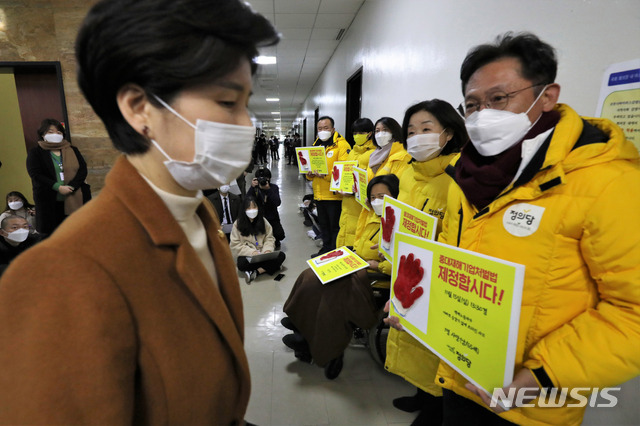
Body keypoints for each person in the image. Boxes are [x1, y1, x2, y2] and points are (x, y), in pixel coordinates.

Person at [0, 0, 278, 423]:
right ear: (139, 107)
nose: (245, 126)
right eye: (226, 103)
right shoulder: (63, 272)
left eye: (246, 105)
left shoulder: (198, 219)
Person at [433, 32, 640, 425]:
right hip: (461, 375)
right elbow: (452, 260)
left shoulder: (609, 183)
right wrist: (418, 305)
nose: (482, 116)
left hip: (531, 405)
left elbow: (633, 313)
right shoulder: (465, 175)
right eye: (472, 105)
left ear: (547, 95)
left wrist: (543, 374)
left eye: (499, 98)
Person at [384, 99, 468, 426]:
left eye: (426, 129)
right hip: (408, 268)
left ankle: (434, 405)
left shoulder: (458, 176)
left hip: (439, 274)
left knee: (433, 347)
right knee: (412, 339)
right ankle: (421, 393)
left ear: (447, 134)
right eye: (411, 131)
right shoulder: (407, 172)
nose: (417, 136)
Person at [282, 174, 400, 379]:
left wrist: (379, 263)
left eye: (382, 196)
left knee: (330, 292)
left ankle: (323, 348)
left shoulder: (403, 225)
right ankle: (300, 320)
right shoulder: (371, 216)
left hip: (375, 277)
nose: (377, 201)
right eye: (373, 197)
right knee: (311, 275)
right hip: (357, 264)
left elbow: (405, 264)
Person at [26, 118, 89, 236]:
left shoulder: (72, 150)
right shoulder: (36, 152)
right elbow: (35, 174)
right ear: (43, 135)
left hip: (73, 197)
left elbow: (82, 169)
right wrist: (57, 187)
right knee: (52, 235)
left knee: (75, 233)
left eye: (58, 132)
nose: (55, 134)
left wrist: (72, 186)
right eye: (50, 132)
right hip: (48, 200)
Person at [307, 116, 350, 256]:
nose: (322, 131)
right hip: (319, 194)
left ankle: (334, 252)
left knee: (335, 227)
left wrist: (324, 175)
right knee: (323, 225)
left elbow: (343, 171)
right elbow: (310, 170)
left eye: (326, 128)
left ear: (333, 129)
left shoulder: (342, 146)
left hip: (334, 196)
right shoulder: (316, 145)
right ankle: (326, 250)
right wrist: (310, 174)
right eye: (320, 129)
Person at [335, 118, 376, 248]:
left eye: (361, 132)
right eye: (354, 133)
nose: (357, 136)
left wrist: (354, 191)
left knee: (356, 234)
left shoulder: (374, 154)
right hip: (347, 201)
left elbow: (372, 180)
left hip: (360, 203)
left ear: (370, 133)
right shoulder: (352, 152)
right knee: (345, 229)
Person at [229, 196, 285, 284]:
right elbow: (235, 244)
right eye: (249, 208)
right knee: (241, 264)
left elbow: (269, 238)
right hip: (249, 255)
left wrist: (267, 250)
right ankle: (271, 266)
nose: (252, 210)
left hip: (263, 253)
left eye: (254, 207)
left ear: (258, 208)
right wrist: (252, 252)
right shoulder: (238, 224)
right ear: (244, 210)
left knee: (281, 255)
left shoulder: (263, 221)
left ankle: (256, 272)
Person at [248, 166, 284, 248]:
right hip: (258, 218)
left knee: (280, 235)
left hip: (272, 217)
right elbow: (246, 202)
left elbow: (277, 203)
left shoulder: (273, 188)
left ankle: (274, 239)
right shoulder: (255, 189)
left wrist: (268, 190)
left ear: (269, 179)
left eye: (265, 178)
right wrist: (252, 188)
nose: (263, 181)